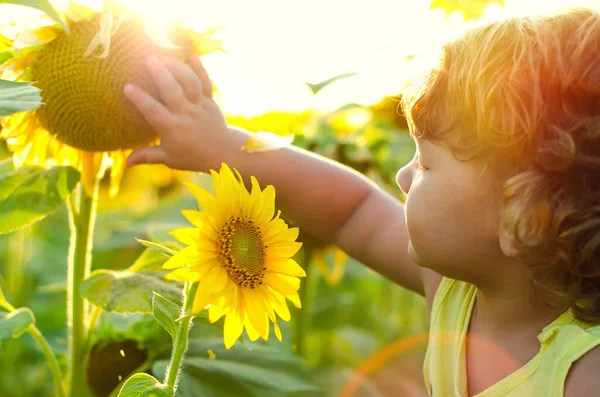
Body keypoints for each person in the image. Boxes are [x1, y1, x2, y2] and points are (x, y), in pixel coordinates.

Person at [123, 7, 600, 396]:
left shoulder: (583, 374)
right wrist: (225, 148)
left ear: (524, 218)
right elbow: (352, 209)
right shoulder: (456, 291)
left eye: (427, 165)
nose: (402, 175)